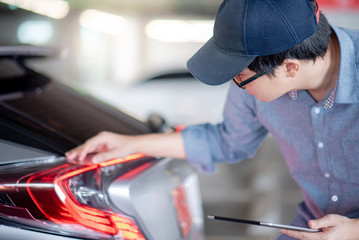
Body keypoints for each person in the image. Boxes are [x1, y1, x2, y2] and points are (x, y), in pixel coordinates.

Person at [66, 0, 359, 239]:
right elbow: (226, 140)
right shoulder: (258, 78)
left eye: (239, 78)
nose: (235, 86)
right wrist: (129, 144)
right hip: (312, 228)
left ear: (291, 69)